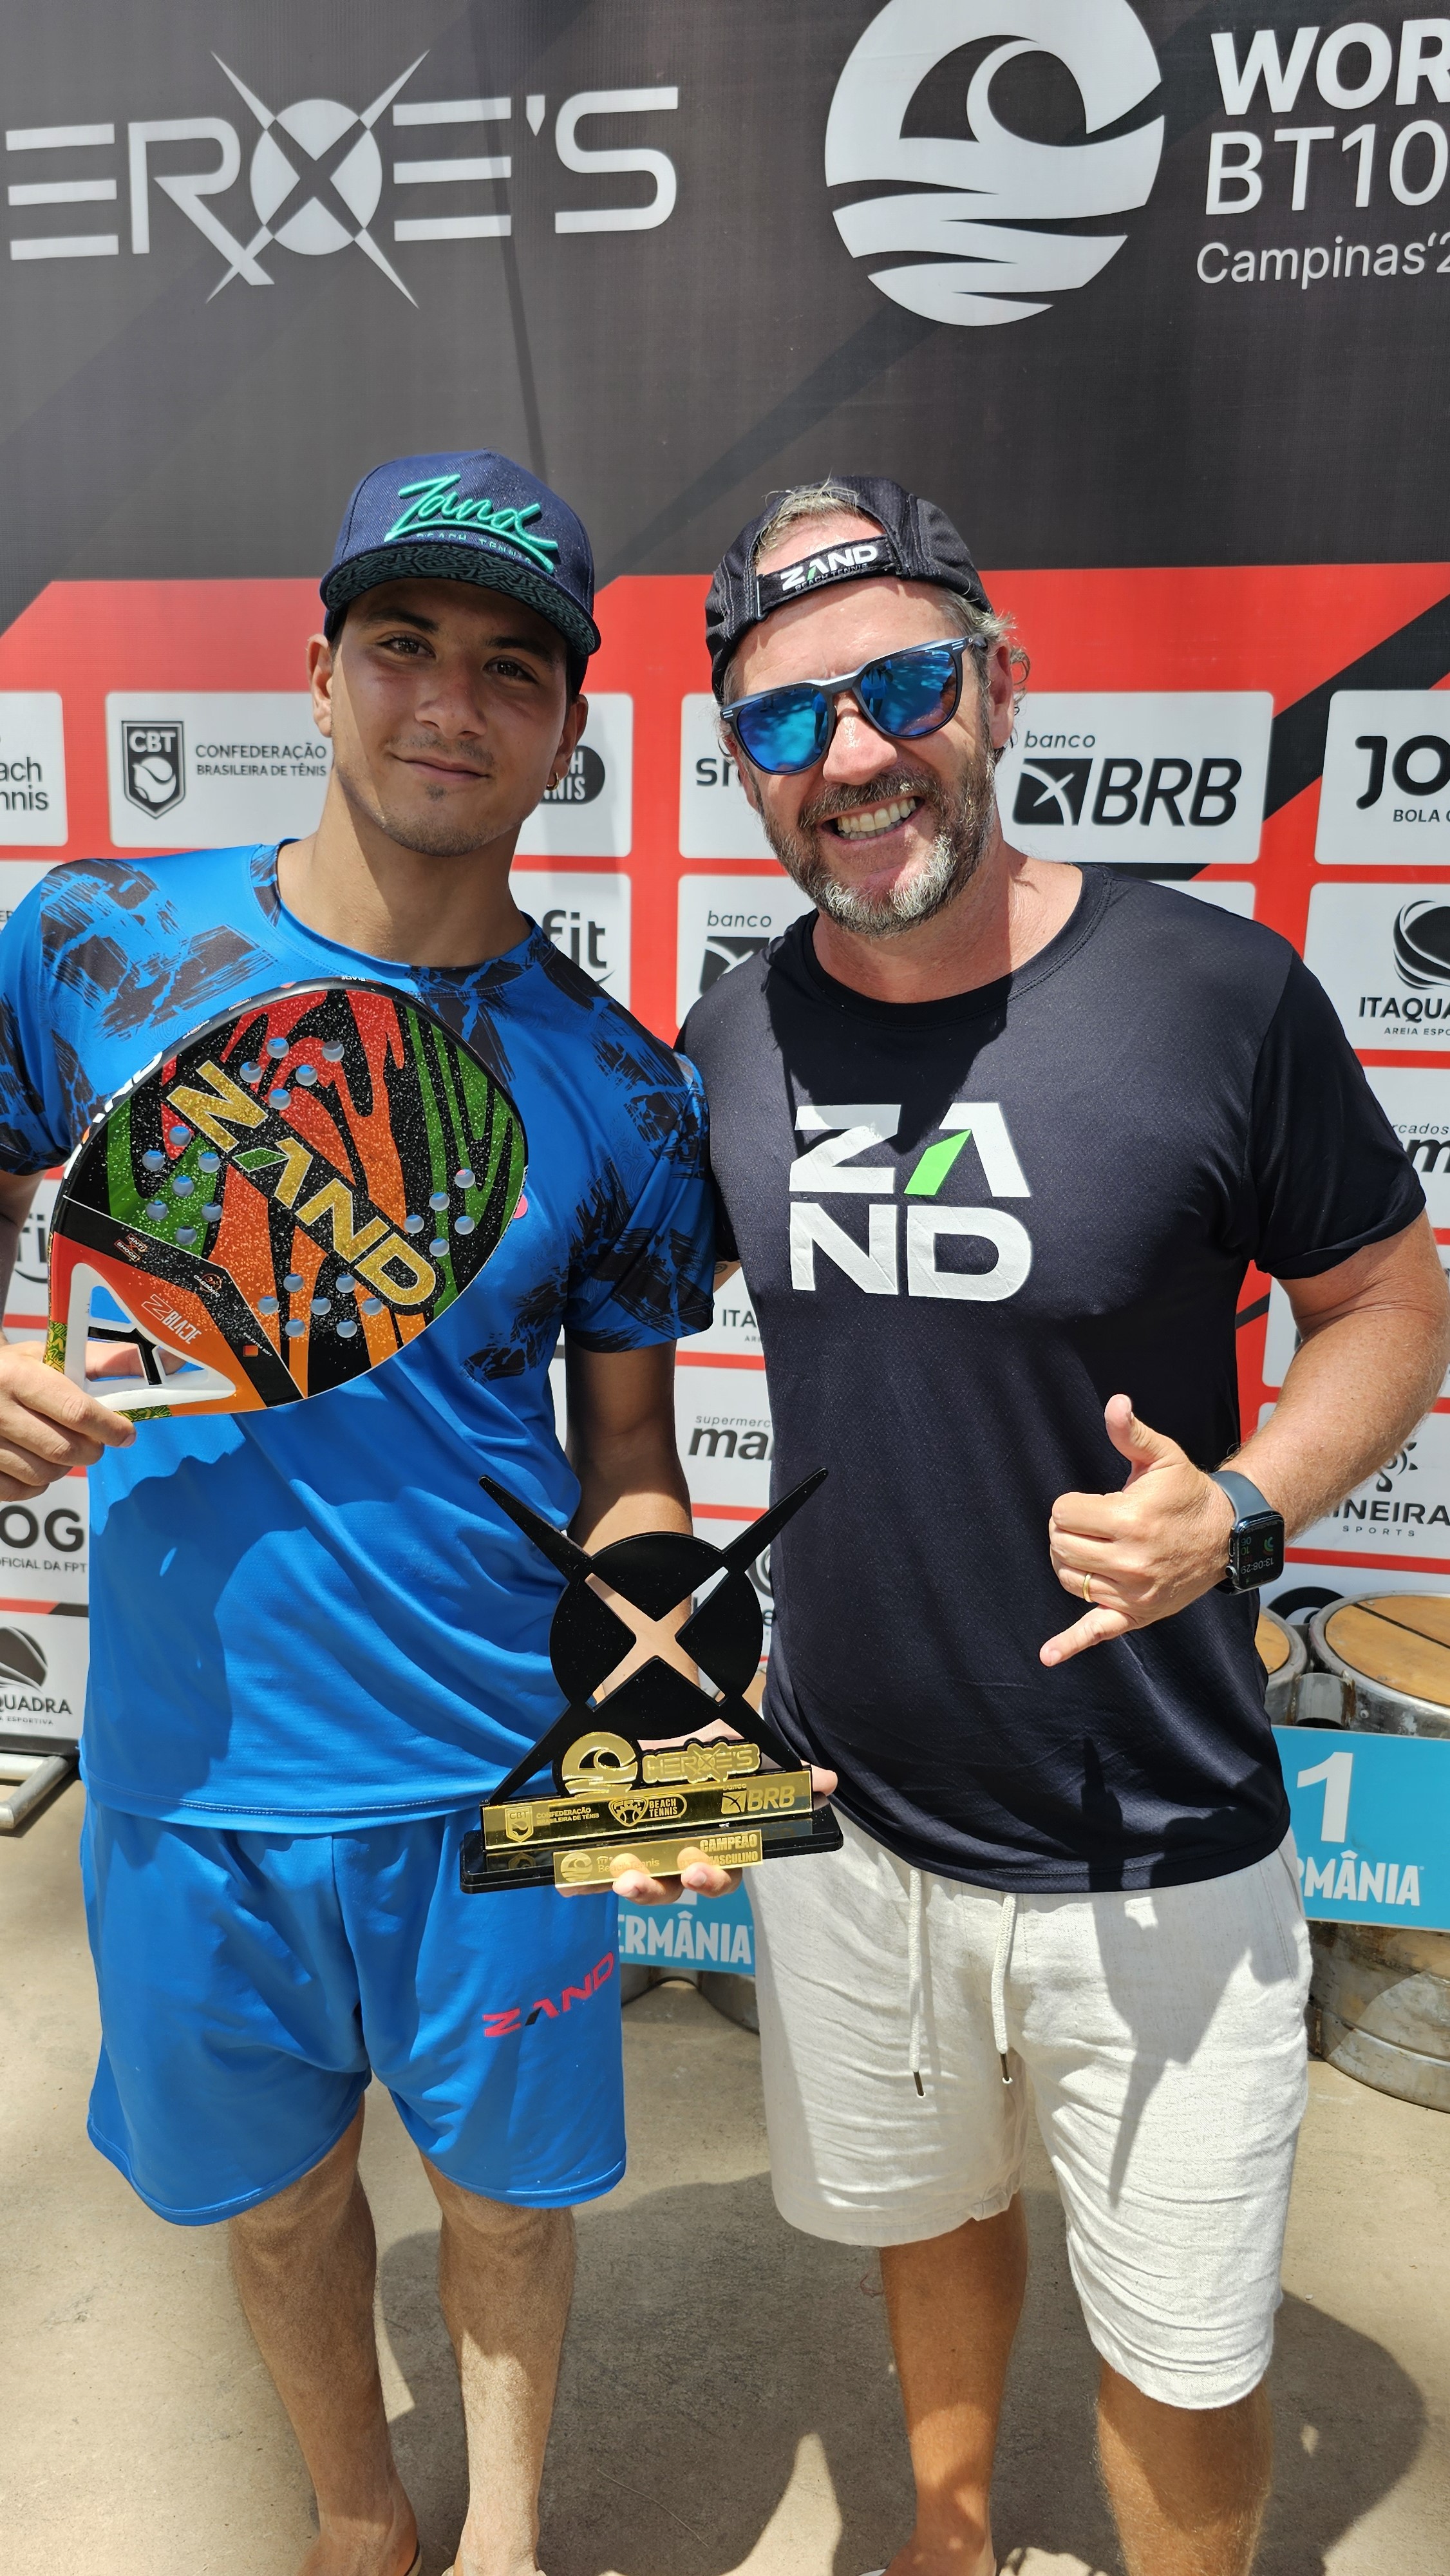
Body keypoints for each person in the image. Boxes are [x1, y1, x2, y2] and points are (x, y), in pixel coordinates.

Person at [677, 475, 1450, 2576]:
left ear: (999, 687)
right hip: (846, 1812)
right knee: (927, 2221)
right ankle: (945, 2538)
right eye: (783, 719)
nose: (851, 754)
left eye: (900, 687)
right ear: (739, 764)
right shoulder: (731, 1036)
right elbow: (593, 1330)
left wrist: (1247, 1509)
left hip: (1155, 1838)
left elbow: (1388, 1303)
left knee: (1185, 2355)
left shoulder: (1214, 989)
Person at [0, 448, 716, 2576]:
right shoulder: (95, 945)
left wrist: (669, 1682)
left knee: (508, 2204)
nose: (447, 704)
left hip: (493, 1769)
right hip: (187, 1772)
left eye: (510, 669)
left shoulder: (624, 1088)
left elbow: (632, 1460)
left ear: (568, 730)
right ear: (316, 674)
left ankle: (501, 2541)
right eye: (402, 645)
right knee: (278, 2200)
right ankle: (357, 2522)